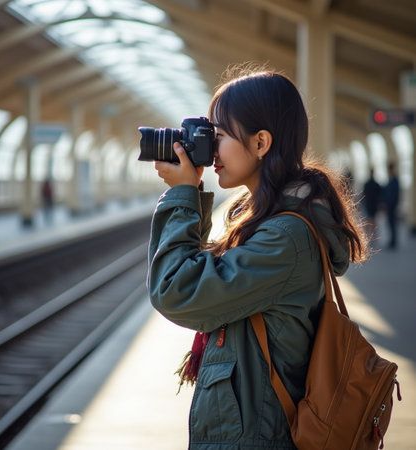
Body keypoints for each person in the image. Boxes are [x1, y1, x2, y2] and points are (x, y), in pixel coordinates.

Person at [148, 65, 368, 449]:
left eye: (218, 136)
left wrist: (183, 195)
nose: (211, 149)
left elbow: (177, 290)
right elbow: (202, 275)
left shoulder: (284, 238)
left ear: (261, 143)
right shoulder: (268, 224)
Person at [383, 162, 400, 249]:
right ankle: (392, 240)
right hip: (389, 206)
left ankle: (393, 241)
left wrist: (394, 204)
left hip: (392, 206)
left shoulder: (395, 180)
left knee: (392, 223)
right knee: (390, 223)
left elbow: (396, 194)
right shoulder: (390, 180)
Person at [362, 168, 382, 241]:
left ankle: (370, 235)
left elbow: (364, 194)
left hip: (370, 204)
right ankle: (372, 235)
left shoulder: (368, 184)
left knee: (370, 220)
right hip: (372, 204)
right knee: (372, 220)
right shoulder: (375, 184)